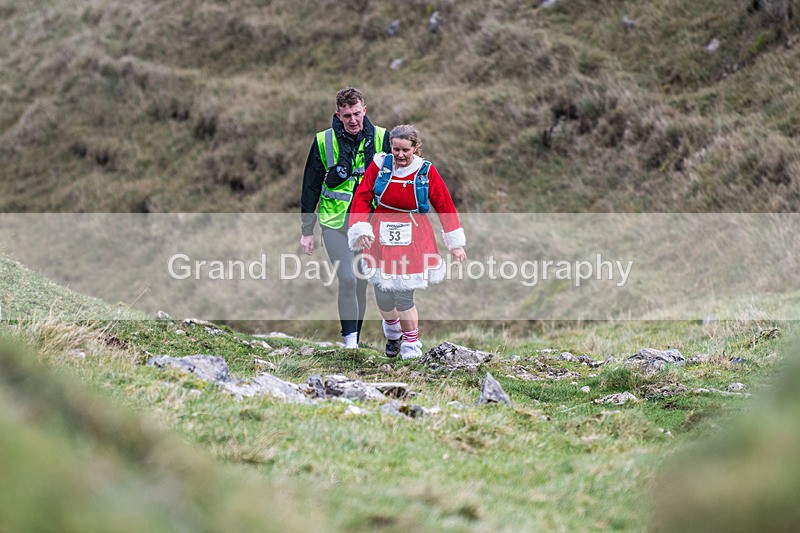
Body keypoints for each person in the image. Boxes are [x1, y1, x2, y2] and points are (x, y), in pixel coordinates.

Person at [347, 125, 466, 360]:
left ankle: (411, 346)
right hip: (380, 234)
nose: (400, 155)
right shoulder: (380, 165)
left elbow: (444, 205)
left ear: (415, 148)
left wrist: (455, 243)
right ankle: (393, 334)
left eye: (405, 150)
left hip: (413, 235)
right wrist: (360, 228)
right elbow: (363, 196)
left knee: (403, 296)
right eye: (396, 149)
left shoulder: (426, 171)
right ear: (390, 147)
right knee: (382, 294)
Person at [299, 87, 391, 349]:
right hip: (334, 223)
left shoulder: (383, 138)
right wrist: (307, 230)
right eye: (347, 115)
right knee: (348, 278)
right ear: (338, 115)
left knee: (362, 283)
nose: (353, 120)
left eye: (357, 113)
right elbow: (310, 186)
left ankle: (356, 341)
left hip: (369, 225)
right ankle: (349, 343)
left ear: (365, 110)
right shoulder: (323, 141)